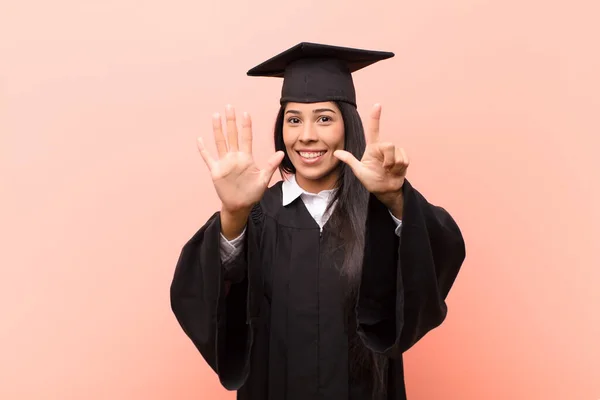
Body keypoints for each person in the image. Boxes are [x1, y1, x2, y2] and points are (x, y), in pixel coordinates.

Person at [170, 42, 466, 400]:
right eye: (294, 119)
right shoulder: (257, 214)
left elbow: (436, 262)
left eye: (324, 118)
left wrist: (394, 198)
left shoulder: (378, 213)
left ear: (348, 127)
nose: (306, 135)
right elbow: (206, 298)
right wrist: (233, 215)